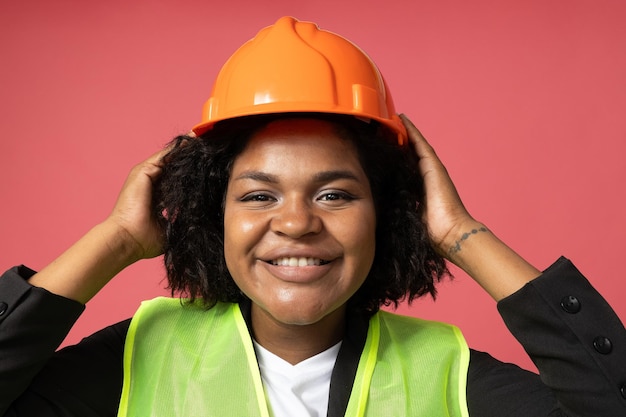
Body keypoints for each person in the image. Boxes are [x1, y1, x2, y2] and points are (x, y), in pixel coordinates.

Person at [1, 16, 625, 417]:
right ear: (208, 216)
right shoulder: (145, 355)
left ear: (388, 216)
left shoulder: (444, 373)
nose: (297, 223)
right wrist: (113, 241)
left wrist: (459, 235)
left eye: (334, 195)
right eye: (258, 195)